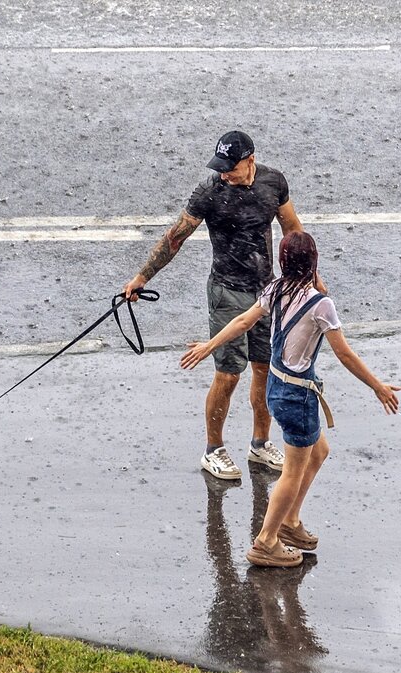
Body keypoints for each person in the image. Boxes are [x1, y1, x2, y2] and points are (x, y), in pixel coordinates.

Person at [181, 231, 401, 568]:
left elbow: (242, 321)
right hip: (298, 395)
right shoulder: (320, 305)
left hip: (275, 387)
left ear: (282, 263)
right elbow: (344, 354)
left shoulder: (275, 290)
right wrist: (377, 386)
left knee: (320, 449)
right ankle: (266, 541)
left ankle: (291, 521)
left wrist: (209, 345)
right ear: (314, 263)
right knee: (292, 474)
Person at [123, 131, 323, 481]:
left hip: (266, 292)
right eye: (220, 167)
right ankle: (213, 450)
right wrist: (142, 277)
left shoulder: (273, 182)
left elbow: (292, 229)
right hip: (226, 291)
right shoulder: (209, 192)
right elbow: (176, 237)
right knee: (229, 375)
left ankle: (260, 444)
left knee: (264, 370)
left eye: (230, 168)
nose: (224, 174)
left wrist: (312, 278)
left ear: (250, 160)